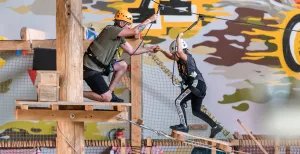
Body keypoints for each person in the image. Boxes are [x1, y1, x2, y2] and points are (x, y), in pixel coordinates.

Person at [83, 10, 158, 102]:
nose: (129, 27)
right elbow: (134, 31)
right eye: (128, 24)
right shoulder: (111, 30)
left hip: (100, 67)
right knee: (106, 98)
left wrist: (149, 49)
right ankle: (79, 93)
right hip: (90, 68)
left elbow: (132, 51)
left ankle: (111, 92)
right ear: (122, 23)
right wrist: (150, 19)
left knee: (123, 65)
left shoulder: (119, 38)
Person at [157, 32, 223, 138]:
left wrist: (178, 37)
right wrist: (161, 50)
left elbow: (179, 51)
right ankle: (215, 127)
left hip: (196, 84)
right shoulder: (179, 60)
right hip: (199, 86)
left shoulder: (187, 57)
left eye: (176, 54)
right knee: (196, 111)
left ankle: (184, 125)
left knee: (178, 102)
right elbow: (170, 57)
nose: (175, 56)